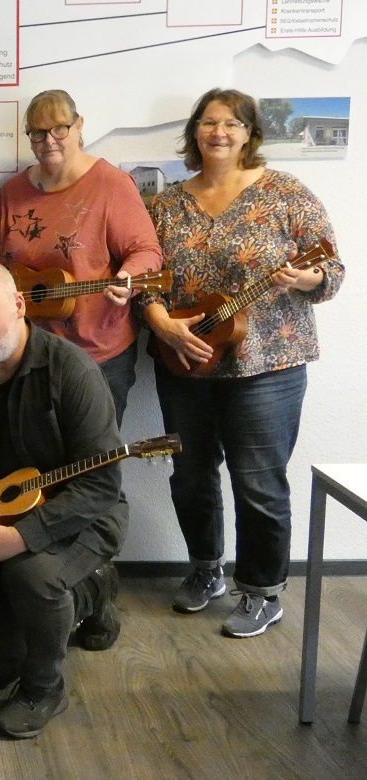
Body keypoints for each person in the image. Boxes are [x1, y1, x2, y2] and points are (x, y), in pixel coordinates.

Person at [138, 88, 344, 638]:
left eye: (231, 123)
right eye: (208, 123)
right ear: (194, 133)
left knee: (259, 483)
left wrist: (309, 279)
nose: (218, 133)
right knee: (191, 476)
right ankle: (207, 570)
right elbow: (147, 280)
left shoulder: (285, 194)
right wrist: (160, 323)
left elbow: (333, 269)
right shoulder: (167, 204)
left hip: (268, 366)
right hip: (186, 360)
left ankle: (262, 591)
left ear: (250, 133)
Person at [0, 259, 125, 739]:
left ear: (17, 305)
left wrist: (20, 539)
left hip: (81, 519)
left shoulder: (71, 370)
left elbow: (101, 486)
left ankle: (44, 686)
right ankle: (58, 606)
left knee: (31, 574)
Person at [0, 89, 163, 427]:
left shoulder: (111, 184)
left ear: (79, 126)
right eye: (37, 132)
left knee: (92, 464)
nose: (48, 140)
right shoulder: (12, 191)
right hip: (28, 353)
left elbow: (146, 251)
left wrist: (129, 279)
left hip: (97, 354)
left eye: (59, 129)